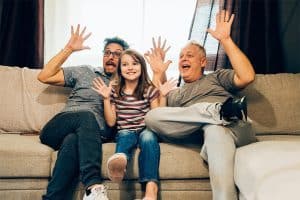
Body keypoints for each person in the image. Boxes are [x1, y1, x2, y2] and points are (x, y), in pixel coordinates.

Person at [144, 10, 257, 200]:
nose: (183, 59)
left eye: (189, 55)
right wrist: (157, 73)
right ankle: (217, 112)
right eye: (180, 57)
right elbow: (158, 108)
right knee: (151, 117)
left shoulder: (217, 77)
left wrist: (226, 40)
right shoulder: (176, 94)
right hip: (209, 134)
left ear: (203, 61)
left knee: (215, 129)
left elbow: (247, 76)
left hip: (236, 127)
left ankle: (220, 113)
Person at [37, 24, 129, 200]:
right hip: (59, 126)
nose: (111, 57)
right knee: (86, 116)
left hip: (92, 137)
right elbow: (44, 76)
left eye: (117, 54)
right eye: (107, 52)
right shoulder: (86, 71)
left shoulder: (127, 85)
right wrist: (69, 49)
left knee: (72, 141)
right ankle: (93, 186)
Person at [92, 49, 176, 200]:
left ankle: (151, 192)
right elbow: (111, 122)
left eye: (134, 63)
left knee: (149, 138)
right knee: (124, 135)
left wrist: (162, 95)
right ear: (120, 69)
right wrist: (106, 99)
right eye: (125, 64)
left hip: (146, 129)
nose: (130, 67)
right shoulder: (115, 91)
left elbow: (158, 116)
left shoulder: (148, 90)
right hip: (125, 130)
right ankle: (120, 162)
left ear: (142, 67)